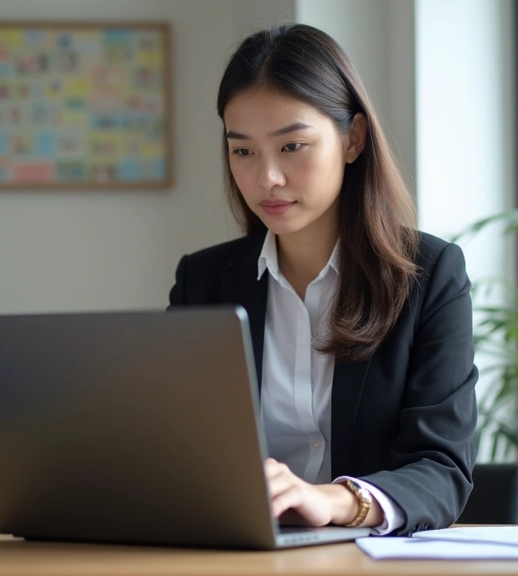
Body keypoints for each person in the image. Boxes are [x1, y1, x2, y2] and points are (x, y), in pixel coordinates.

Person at [168, 23, 477, 536]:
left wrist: (335, 500)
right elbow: (174, 449)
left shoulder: (429, 276)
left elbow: (442, 470)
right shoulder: (201, 281)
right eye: (243, 151)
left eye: (292, 147)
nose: (266, 177)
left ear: (352, 139)